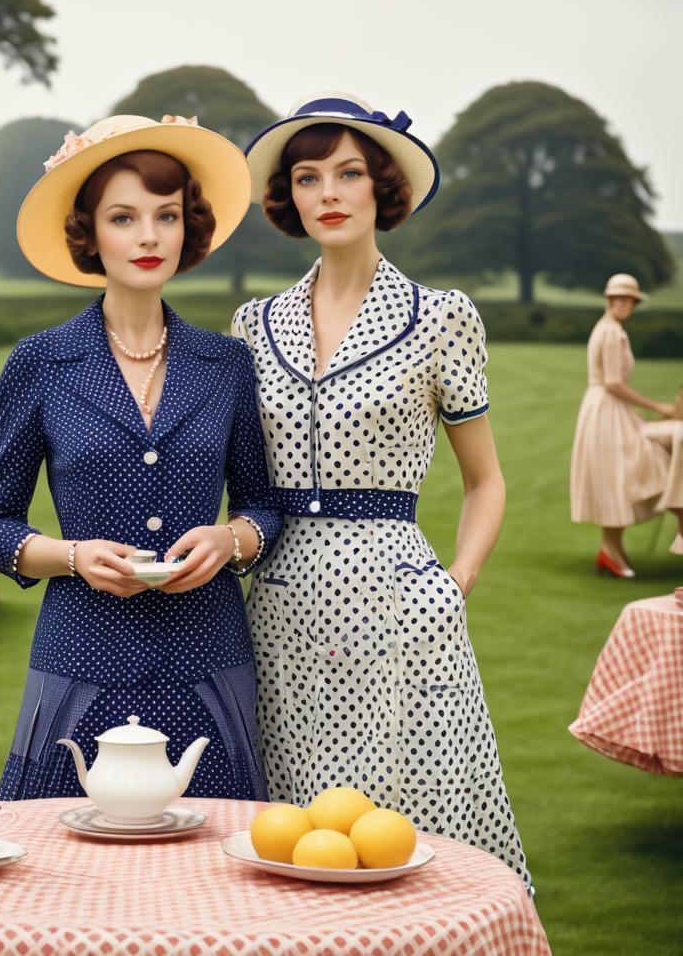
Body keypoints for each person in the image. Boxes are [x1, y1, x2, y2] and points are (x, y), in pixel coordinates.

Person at [234, 92, 530, 886]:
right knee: (292, 836)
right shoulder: (253, 325)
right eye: (307, 177)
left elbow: (486, 480)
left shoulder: (441, 318)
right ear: (288, 198)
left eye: (349, 173)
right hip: (280, 607)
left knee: (415, 832)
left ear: (382, 189)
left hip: (400, 604)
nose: (327, 193)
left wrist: (455, 583)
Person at [0, 114, 281, 803]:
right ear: (90, 232)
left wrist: (232, 539)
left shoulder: (226, 364)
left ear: (187, 229)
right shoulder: (40, 362)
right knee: (63, 873)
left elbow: (264, 505)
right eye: (124, 217)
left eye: (166, 216)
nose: (147, 236)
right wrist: (74, 556)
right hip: (82, 653)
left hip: (208, 652)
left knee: (216, 872)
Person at [570, 273, 682, 575]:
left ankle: (610, 551)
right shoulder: (611, 332)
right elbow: (613, 382)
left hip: (605, 407)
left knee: (619, 476)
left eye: (630, 300)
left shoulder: (608, 328)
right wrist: (657, 405)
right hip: (606, 408)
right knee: (633, 470)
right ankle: (613, 550)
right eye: (620, 298)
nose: (625, 304)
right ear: (609, 300)